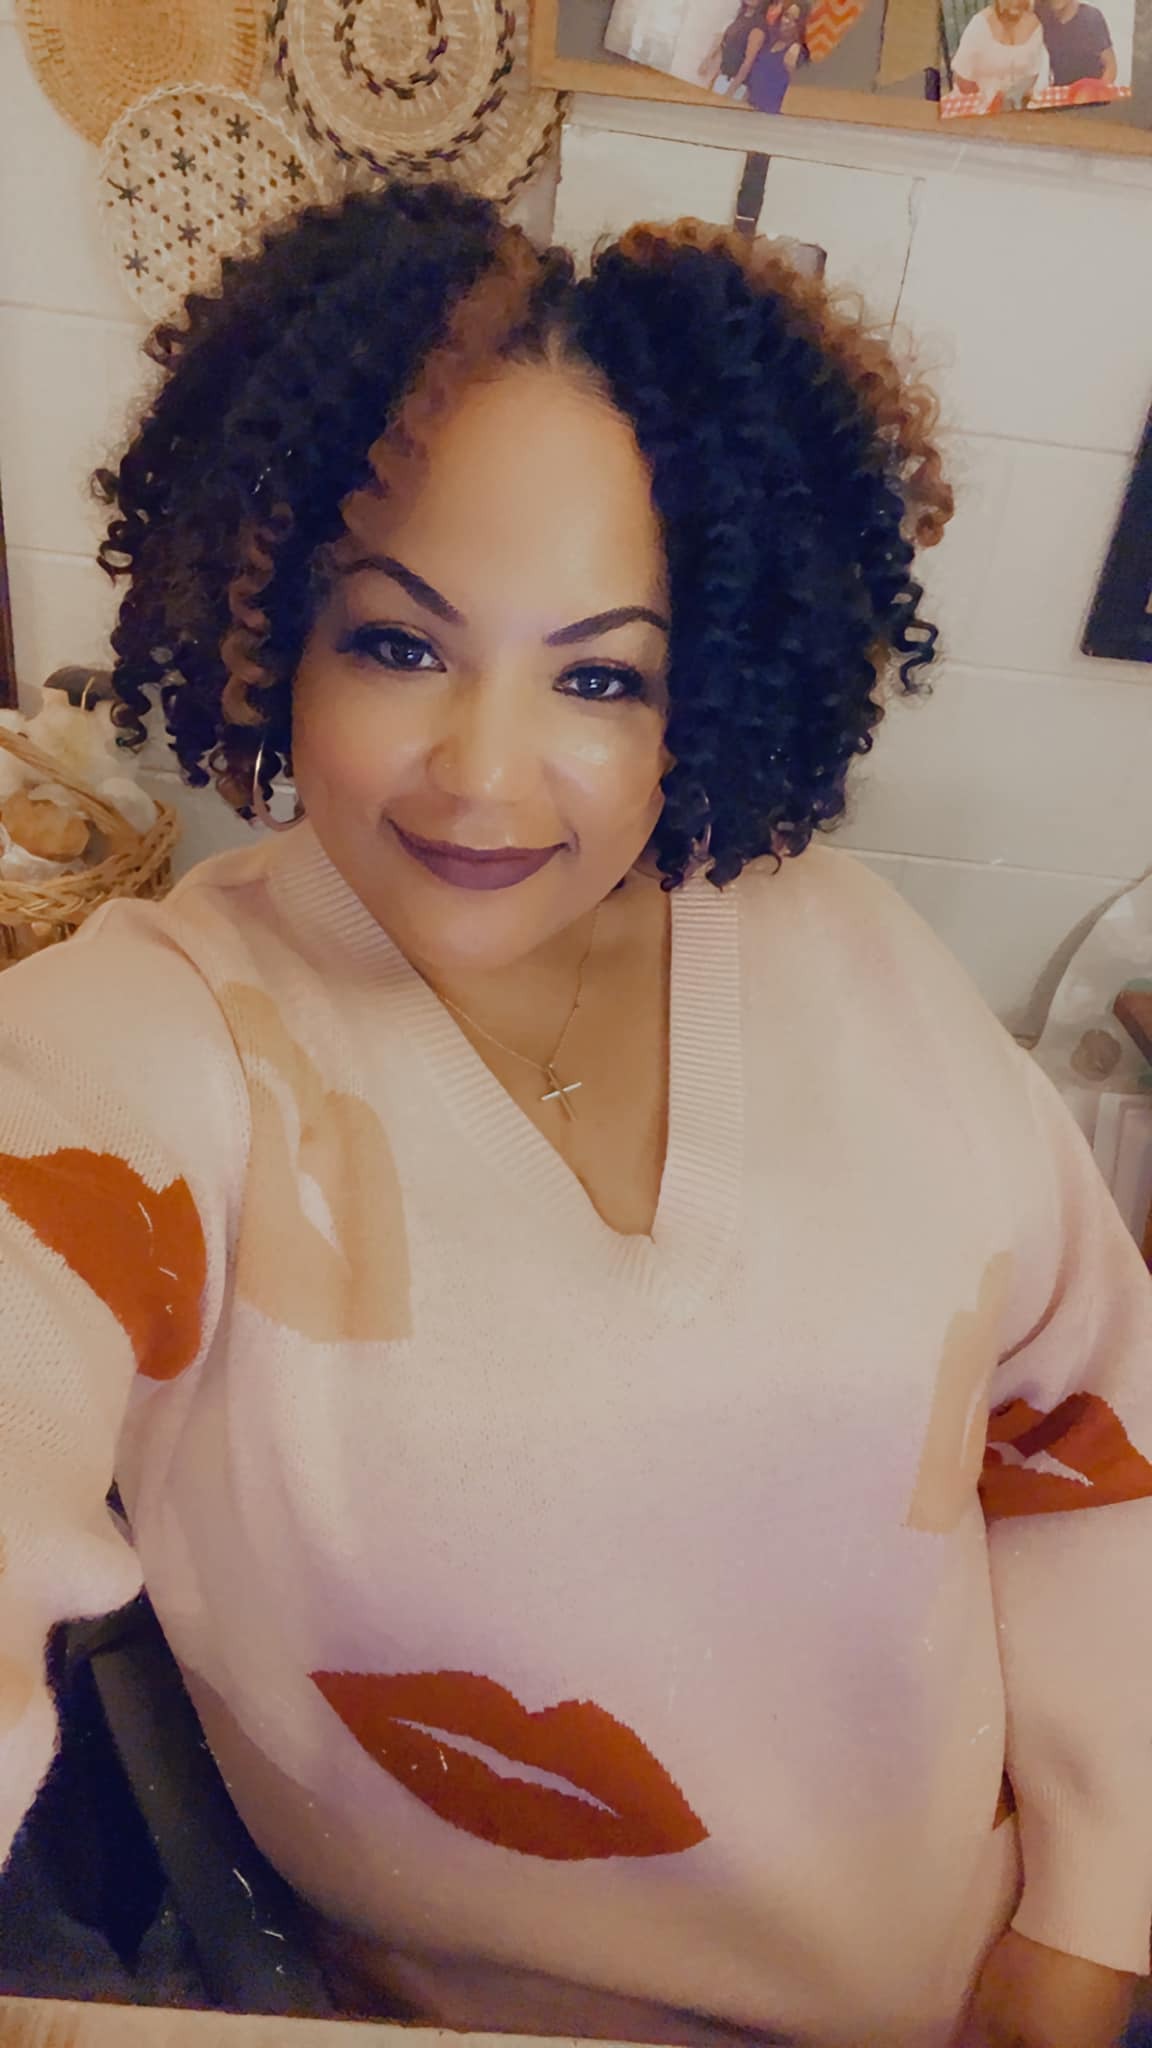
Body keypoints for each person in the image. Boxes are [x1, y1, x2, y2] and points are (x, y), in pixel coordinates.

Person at [0, 179, 1148, 2048]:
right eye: (398, 643)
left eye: (601, 675)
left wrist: (1090, 1929)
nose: (485, 772)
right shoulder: (153, 1050)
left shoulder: (845, 953)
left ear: (710, 692)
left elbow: (1087, 1430)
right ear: (270, 625)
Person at [951, 0, 1051, 109]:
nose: (1015, 2)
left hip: (1020, 106)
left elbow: (1033, 74)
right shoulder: (979, 25)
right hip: (982, 106)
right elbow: (962, 80)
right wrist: (987, 104)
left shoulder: (1035, 25)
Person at [728, 0, 808, 113]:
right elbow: (754, 80)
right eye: (786, 16)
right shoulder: (769, 43)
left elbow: (792, 93)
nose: (787, 22)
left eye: (795, 20)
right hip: (749, 108)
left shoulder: (794, 51)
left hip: (769, 113)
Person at [1036, 0, 1118, 86]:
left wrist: (1098, 90)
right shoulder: (1043, 17)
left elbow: (1110, 67)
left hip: (1091, 90)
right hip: (1061, 91)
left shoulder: (1090, 17)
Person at [699, 0, 765, 97]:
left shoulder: (758, 25)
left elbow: (748, 62)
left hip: (735, 85)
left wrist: (730, 91)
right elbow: (725, 48)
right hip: (723, 78)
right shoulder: (740, 17)